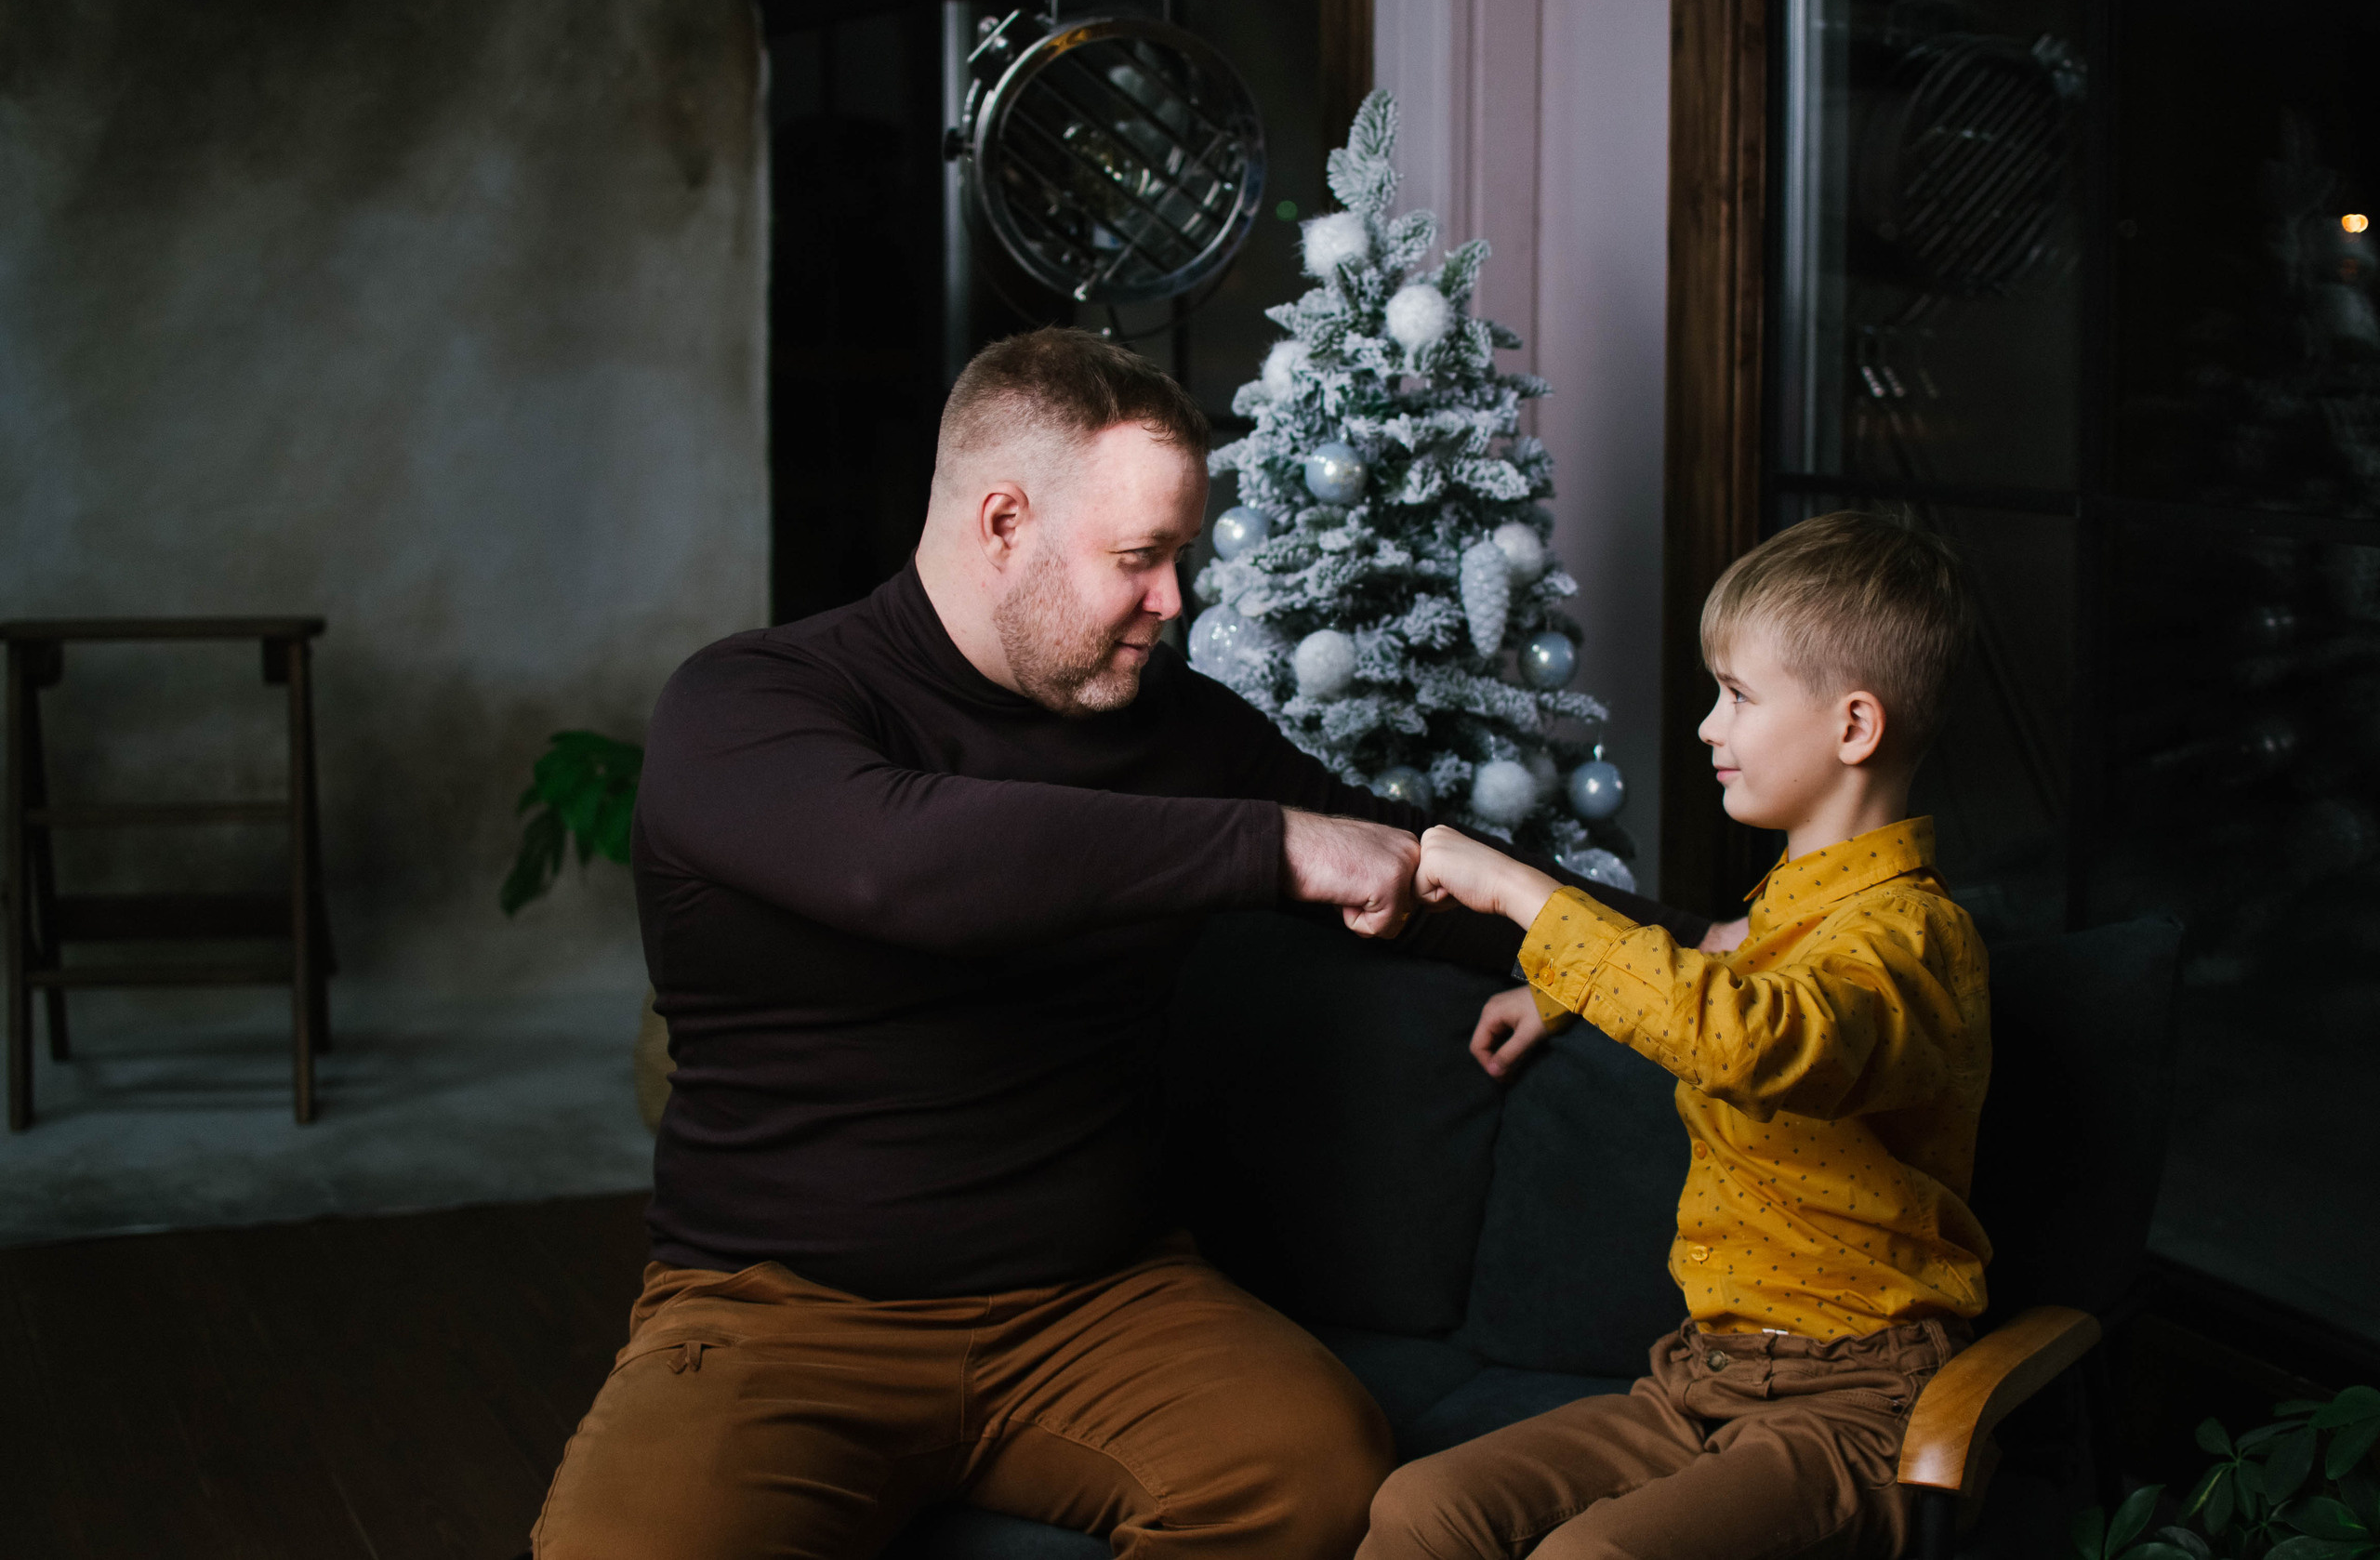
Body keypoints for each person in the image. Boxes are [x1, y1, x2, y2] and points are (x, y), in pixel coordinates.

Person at [531, 327, 1719, 1560]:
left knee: (1315, 1469)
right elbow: (909, 862)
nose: (1175, 601)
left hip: (1097, 1300)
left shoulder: (1178, 727)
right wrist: (1271, 844)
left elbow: (1419, 860)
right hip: (782, 1310)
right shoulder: (749, 705)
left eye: (1181, 557)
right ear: (1003, 523)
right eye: (1140, 558)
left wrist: (1692, 943)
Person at [1364, 510, 1990, 1560]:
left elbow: (1756, 1039)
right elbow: (1718, 968)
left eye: (1737, 697)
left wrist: (1525, 896)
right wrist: (1553, 995)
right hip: (1700, 1377)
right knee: (1420, 1509)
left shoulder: (1916, 940)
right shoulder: (1789, 909)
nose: (1708, 725)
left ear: (1852, 728)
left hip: (1856, 1409)